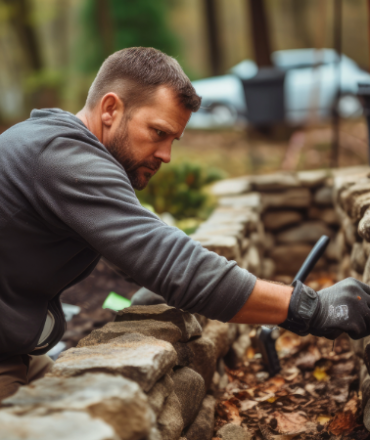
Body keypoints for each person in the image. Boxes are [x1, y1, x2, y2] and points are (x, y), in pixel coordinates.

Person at [0, 47, 369, 401]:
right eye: (158, 133)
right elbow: (173, 264)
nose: (166, 155)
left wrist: (154, 276)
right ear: (110, 108)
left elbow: (146, 247)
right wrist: (310, 308)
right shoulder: (61, 158)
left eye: (174, 139)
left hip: (22, 352)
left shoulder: (54, 146)